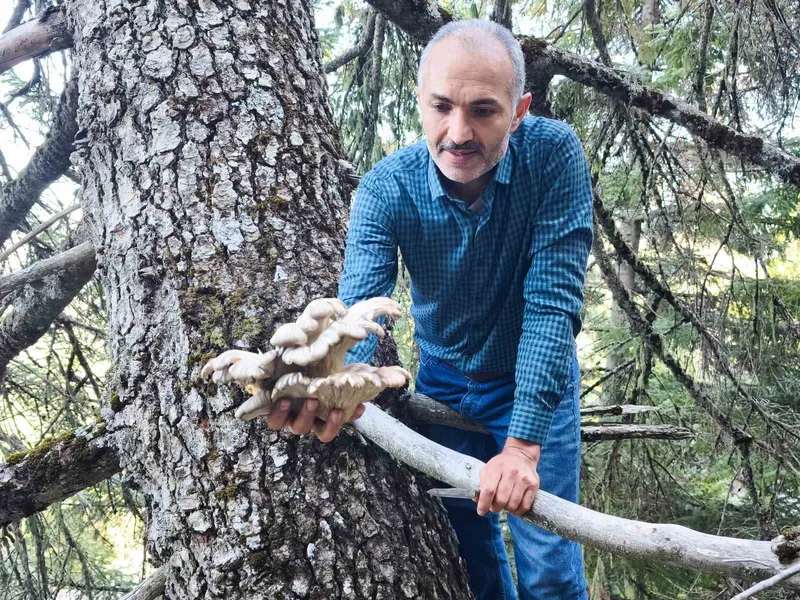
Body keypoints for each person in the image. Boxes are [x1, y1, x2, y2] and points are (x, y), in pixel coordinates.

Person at [267, 18, 592, 600]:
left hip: (532, 380)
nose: (458, 133)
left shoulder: (552, 156)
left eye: (484, 111)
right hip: (444, 382)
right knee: (466, 548)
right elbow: (359, 311)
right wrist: (333, 386)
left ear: (520, 111)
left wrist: (522, 448)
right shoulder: (385, 188)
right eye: (441, 107)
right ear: (420, 100)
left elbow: (552, 305)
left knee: (548, 565)